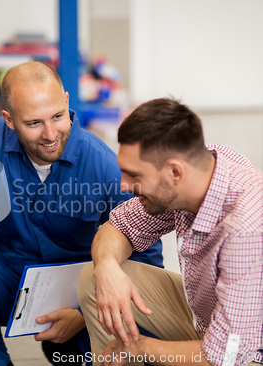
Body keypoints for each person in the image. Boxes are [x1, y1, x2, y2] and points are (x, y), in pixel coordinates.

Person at [0, 61, 163, 366]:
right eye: (34, 123)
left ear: (67, 102)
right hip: (10, 271)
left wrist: (82, 314)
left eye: (57, 116)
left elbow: (144, 257)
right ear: (9, 119)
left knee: (136, 325)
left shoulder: (103, 163)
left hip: (82, 286)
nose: (51, 134)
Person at [78, 98, 263, 366]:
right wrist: (106, 267)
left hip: (246, 354)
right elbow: (118, 226)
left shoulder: (245, 229)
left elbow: (230, 354)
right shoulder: (202, 167)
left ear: (175, 171)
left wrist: (140, 347)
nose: (124, 185)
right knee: (95, 279)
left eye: (133, 175)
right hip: (209, 320)